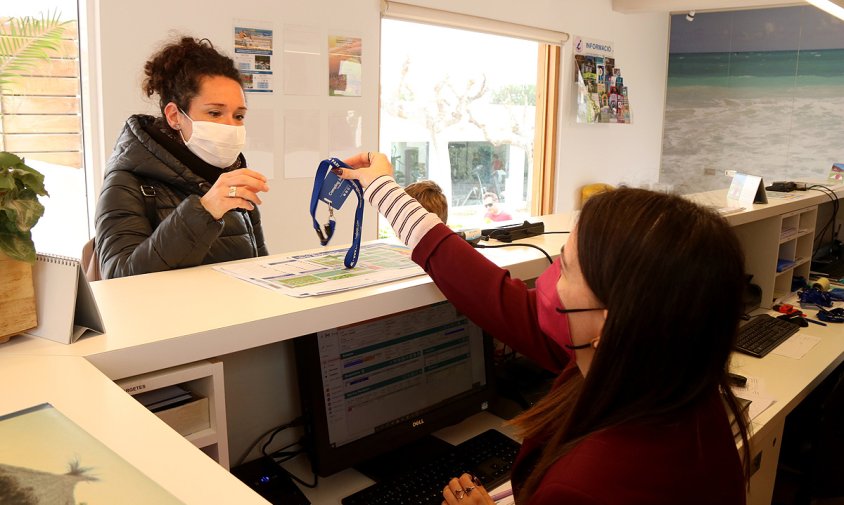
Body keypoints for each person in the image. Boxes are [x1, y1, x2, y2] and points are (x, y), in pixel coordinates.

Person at [332, 152, 751, 505]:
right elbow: (491, 294)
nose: (545, 282)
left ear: (611, 321)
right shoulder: (665, 374)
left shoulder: (585, 487)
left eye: (564, 267)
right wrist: (383, 189)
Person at [94, 36, 270, 279]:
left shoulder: (231, 179)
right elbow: (118, 279)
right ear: (175, 115)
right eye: (215, 113)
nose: (230, 126)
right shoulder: (127, 183)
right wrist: (204, 211)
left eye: (238, 116)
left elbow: (259, 271)